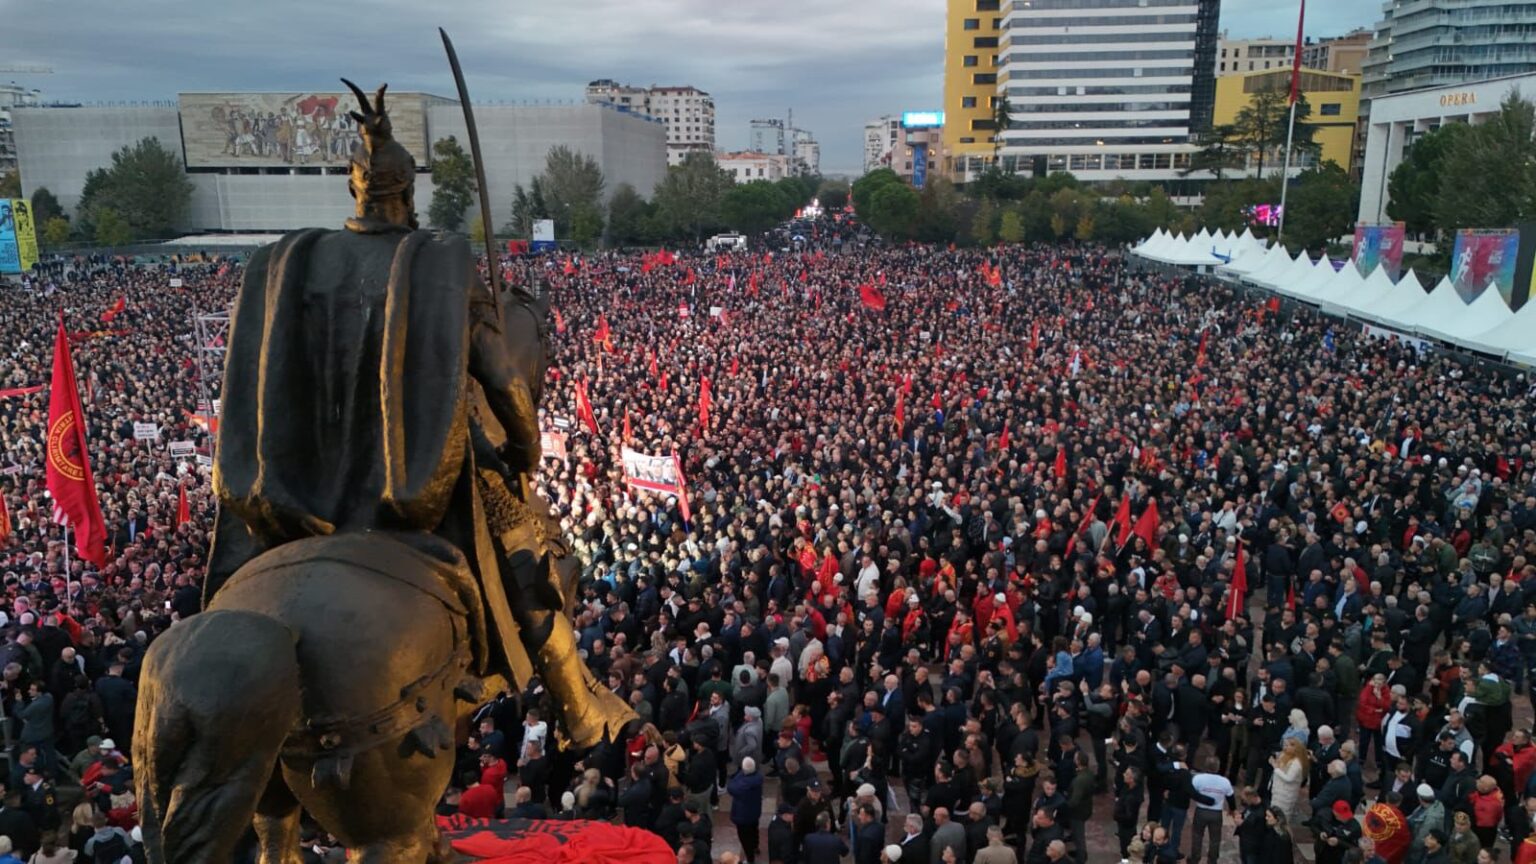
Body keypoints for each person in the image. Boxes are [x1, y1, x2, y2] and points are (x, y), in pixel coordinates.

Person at [726, 757, 764, 864]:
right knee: (754, 830)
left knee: (745, 839)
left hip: (743, 816)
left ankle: (750, 859)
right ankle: (755, 846)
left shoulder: (742, 786)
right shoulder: (758, 777)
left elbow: (731, 787)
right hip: (754, 811)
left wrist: (737, 777)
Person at [1269, 738, 1309, 821]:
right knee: (1274, 813)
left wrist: (1275, 768)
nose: (1285, 747)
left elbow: (1289, 778)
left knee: (1282, 816)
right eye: (1284, 745)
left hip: (1286, 794)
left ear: (1295, 748)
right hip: (1278, 791)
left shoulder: (1297, 763)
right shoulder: (1285, 756)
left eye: (1287, 745)